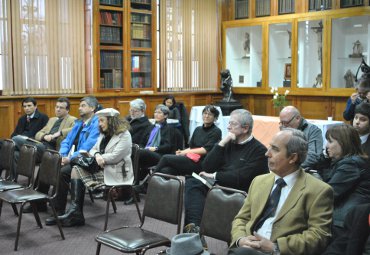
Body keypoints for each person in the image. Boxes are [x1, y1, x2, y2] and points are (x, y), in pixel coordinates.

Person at [229, 129, 334, 255]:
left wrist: (276, 247)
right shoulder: (259, 181)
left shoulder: (318, 190)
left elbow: (319, 236)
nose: (267, 153)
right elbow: (241, 218)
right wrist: (241, 239)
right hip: (247, 248)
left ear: (293, 157)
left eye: (275, 149)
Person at [183, 109, 269, 238]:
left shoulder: (259, 150)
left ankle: (193, 236)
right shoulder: (227, 143)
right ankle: (194, 231)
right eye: (229, 123)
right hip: (221, 184)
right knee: (192, 182)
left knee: (198, 184)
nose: (228, 127)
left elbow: (241, 177)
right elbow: (207, 166)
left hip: (241, 191)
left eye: (232, 124)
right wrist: (222, 143)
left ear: (245, 128)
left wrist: (215, 176)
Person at [58, 108, 133, 227]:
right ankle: (75, 212)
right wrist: (98, 156)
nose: (99, 124)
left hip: (116, 172)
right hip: (101, 168)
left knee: (74, 168)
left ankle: (75, 212)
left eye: (102, 121)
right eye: (99, 121)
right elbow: (93, 149)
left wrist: (99, 156)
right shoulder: (103, 133)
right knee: (75, 169)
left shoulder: (125, 135)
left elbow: (115, 157)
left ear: (111, 121)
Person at [45, 96, 100, 226]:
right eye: (80, 105)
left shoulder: (96, 124)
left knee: (63, 172)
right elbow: (67, 141)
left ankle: (59, 211)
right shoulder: (79, 123)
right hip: (72, 158)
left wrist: (69, 159)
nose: (80, 108)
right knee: (48, 164)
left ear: (92, 108)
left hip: (87, 160)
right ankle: (41, 202)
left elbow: (88, 146)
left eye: (83, 105)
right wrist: (62, 155)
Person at [308, 124, 370, 240]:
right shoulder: (351, 160)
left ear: (343, 143)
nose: (326, 146)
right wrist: (326, 158)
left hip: (342, 222)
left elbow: (329, 193)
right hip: (348, 216)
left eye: (330, 142)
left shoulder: (351, 165)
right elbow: (327, 176)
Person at [155, 105, 221, 176]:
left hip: (201, 162)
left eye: (210, 114)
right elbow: (192, 146)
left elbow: (205, 150)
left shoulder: (216, 131)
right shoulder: (198, 129)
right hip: (190, 158)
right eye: (205, 113)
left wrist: (184, 152)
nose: (206, 116)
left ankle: (150, 180)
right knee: (166, 170)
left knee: (165, 158)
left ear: (215, 118)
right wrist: (181, 152)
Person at [7, 97, 49, 179]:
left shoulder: (43, 117)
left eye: (29, 106)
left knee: (13, 141)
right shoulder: (22, 119)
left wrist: (24, 138)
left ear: (35, 106)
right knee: (14, 153)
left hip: (34, 144)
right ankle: (12, 180)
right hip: (21, 144)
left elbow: (43, 135)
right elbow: (14, 134)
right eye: (25, 106)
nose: (27, 108)